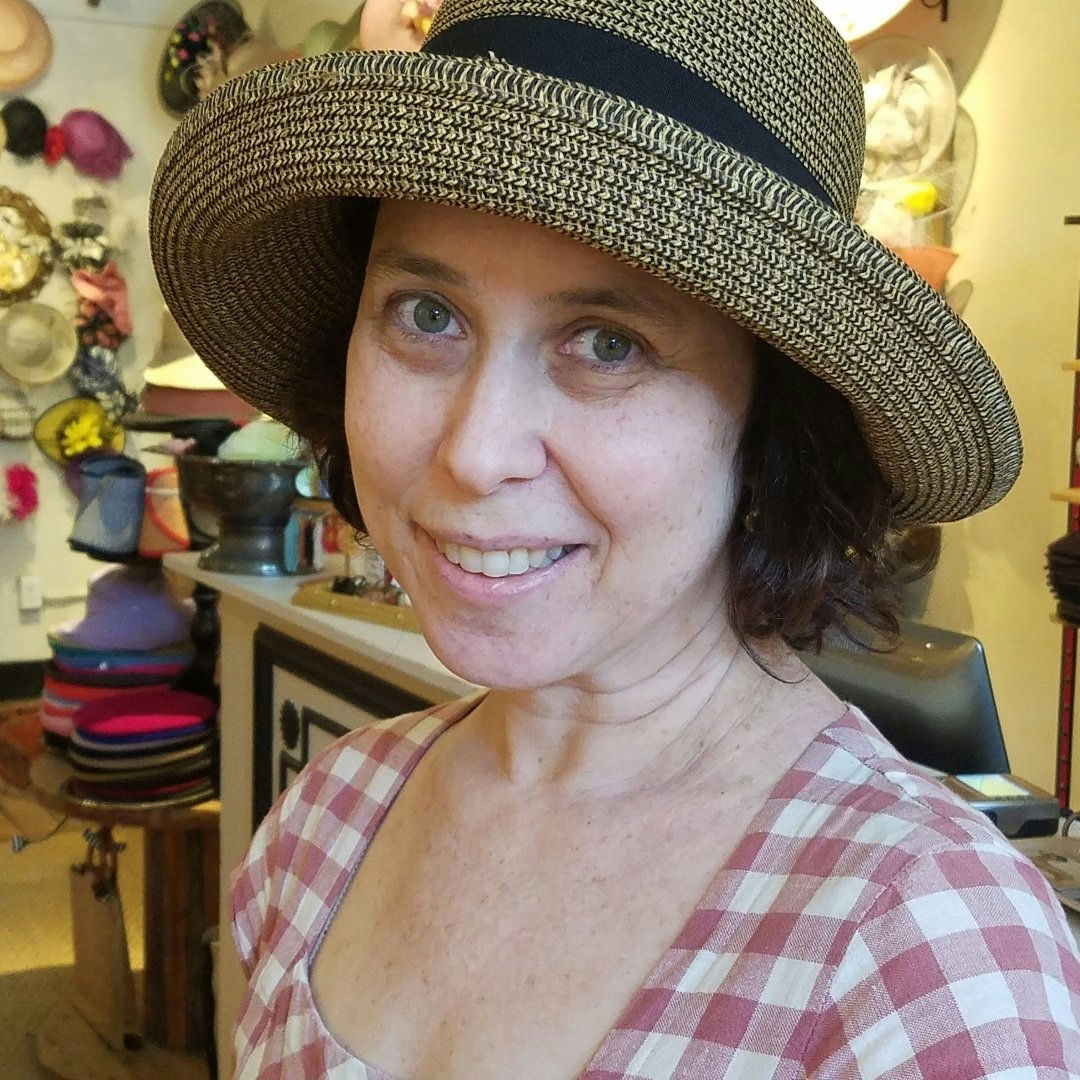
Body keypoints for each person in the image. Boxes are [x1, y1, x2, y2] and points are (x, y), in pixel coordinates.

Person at [149, 0, 1079, 1076]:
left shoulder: (921, 953)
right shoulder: (325, 822)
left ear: (774, 422)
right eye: (426, 315)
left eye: (608, 342)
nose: (474, 451)